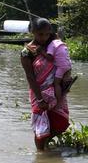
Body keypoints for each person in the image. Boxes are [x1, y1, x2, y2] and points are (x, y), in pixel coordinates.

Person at [20, 18, 70, 151]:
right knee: (41, 127)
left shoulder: (53, 45)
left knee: (61, 123)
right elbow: (30, 77)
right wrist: (40, 98)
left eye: (47, 34)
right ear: (33, 32)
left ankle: (47, 145)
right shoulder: (27, 52)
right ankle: (41, 154)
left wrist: (66, 81)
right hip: (38, 93)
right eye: (40, 34)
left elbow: (63, 61)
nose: (44, 37)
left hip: (55, 90)